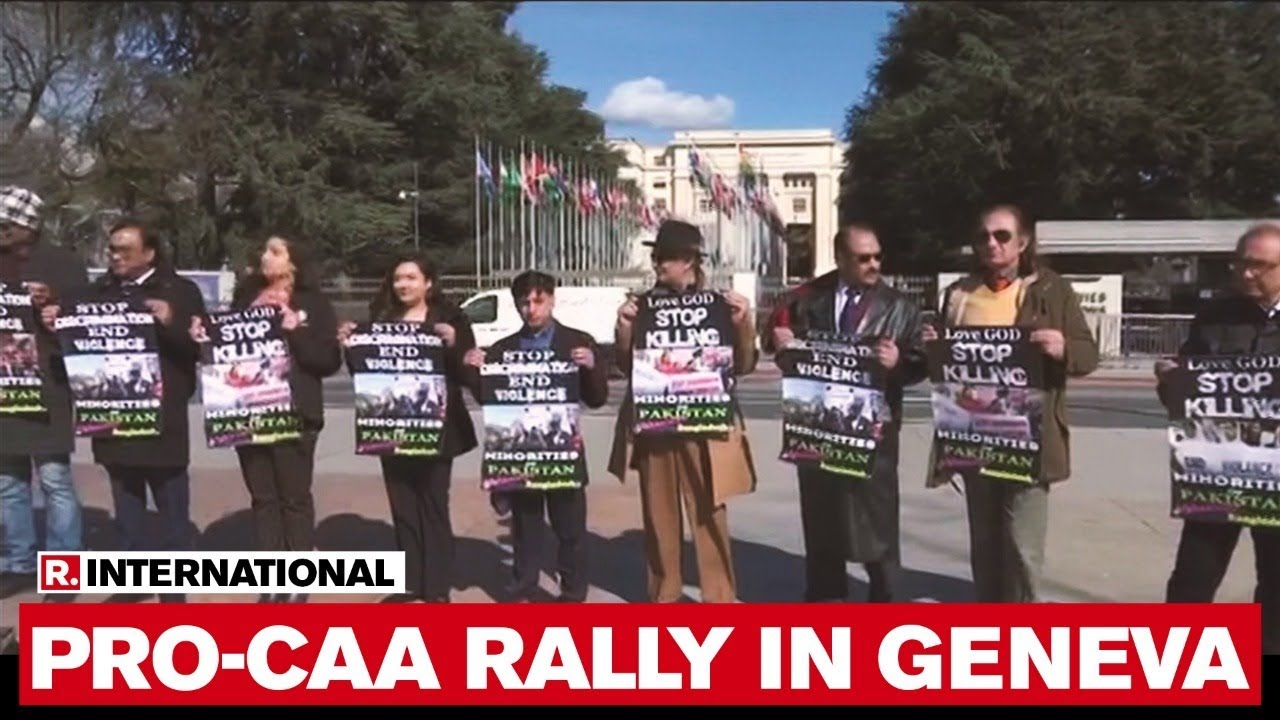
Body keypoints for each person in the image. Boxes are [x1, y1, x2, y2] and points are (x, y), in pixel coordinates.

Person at [923, 203, 1099, 602]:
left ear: (1022, 243)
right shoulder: (958, 295)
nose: (991, 243)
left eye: (1002, 236)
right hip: (974, 436)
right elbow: (942, 366)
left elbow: (1088, 356)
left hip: (1029, 440)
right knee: (984, 541)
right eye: (983, 236)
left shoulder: (1051, 289)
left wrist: (1062, 346)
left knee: (1022, 544)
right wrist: (932, 349)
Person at [763, 223, 928, 602]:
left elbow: (920, 362)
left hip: (874, 433)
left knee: (878, 524)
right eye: (863, 258)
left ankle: (886, 600)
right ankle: (825, 597)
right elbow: (781, 342)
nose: (873, 264)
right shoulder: (809, 300)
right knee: (822, 521)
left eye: (877, 256)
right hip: (819, 428)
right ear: (840, 258)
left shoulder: (900, 307)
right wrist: (781, 343)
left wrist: (899, 362)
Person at [50, 219, 206, 602]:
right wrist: (55, 322)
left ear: (149, 253)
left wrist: (171, 321)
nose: (115, 256)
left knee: (172, 509)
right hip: (113, 421)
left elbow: (198, 347)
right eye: (112, 249)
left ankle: (173, 589)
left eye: (125, 250)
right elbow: (70, 346)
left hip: (162, 421)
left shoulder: (180, 291)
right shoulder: (93, 293)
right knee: (127, 508)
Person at [609, 219, 758, 603]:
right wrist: (624, 328)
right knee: (659, 518)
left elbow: (742, 365)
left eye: (665, 257)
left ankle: (720, 598)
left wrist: (744, 325)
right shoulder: (642, 305)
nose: (657, 264)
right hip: (655, 426)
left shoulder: (720, 305)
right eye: (656, 256)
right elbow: (627, 367)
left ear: (689, 261)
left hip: (704, 428)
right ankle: (664, 596)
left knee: (710, 514)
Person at [1155, 222, 1279, 655]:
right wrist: (1170, 381)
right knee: (1192, 577)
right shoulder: (1215, 314)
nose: (1245, 274)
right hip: (1217, 472)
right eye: (1240, 263)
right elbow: (1186, 388)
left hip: (1277, 479)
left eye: (1259, 266)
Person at [200, 232, 341, 602]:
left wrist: (296, 332)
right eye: (265, 249)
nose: (266, 256)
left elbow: (327, 361)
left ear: (293, 262)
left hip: (296, 412)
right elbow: (225, 349)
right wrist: (205, 336)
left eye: (276, 251)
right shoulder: (246, 299)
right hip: (249, 413)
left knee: (293, 496)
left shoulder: (314, 304)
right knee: (263, 497)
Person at [338, 253, 478, 603]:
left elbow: (467, 373)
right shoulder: (381, 319)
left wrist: (454, 344)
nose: (403, 284)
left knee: (432, 505)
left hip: (438, 428)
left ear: (428, 283)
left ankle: (437, 587)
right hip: (390, 426)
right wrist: (350, 347)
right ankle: (409, 581)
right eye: (398, 278)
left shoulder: (451, 319)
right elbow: (365, 374)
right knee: (402, 506)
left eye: (411, 278)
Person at [463, 270, 609, 602]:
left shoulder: (577, 342)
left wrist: (591, 367)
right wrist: (473, 370)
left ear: (552, 300)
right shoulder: (502, 348)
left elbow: (597, 398)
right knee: (526, 527)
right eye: (524, 302)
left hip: (562, 454)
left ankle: (572, 591)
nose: (531, 309)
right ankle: (524, 585)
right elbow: (490, 398)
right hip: (521, 454)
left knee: (569, 528)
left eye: (538, 300)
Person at [0, 186, 87, 600]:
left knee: (54, 478)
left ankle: (64, 569)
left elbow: (88, 318)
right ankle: (17, 562)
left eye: (7, 224)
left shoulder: (62, 264)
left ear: (28, 227)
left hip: (49, 382)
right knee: (7, 480)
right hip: (4, 384)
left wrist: (55, 303)